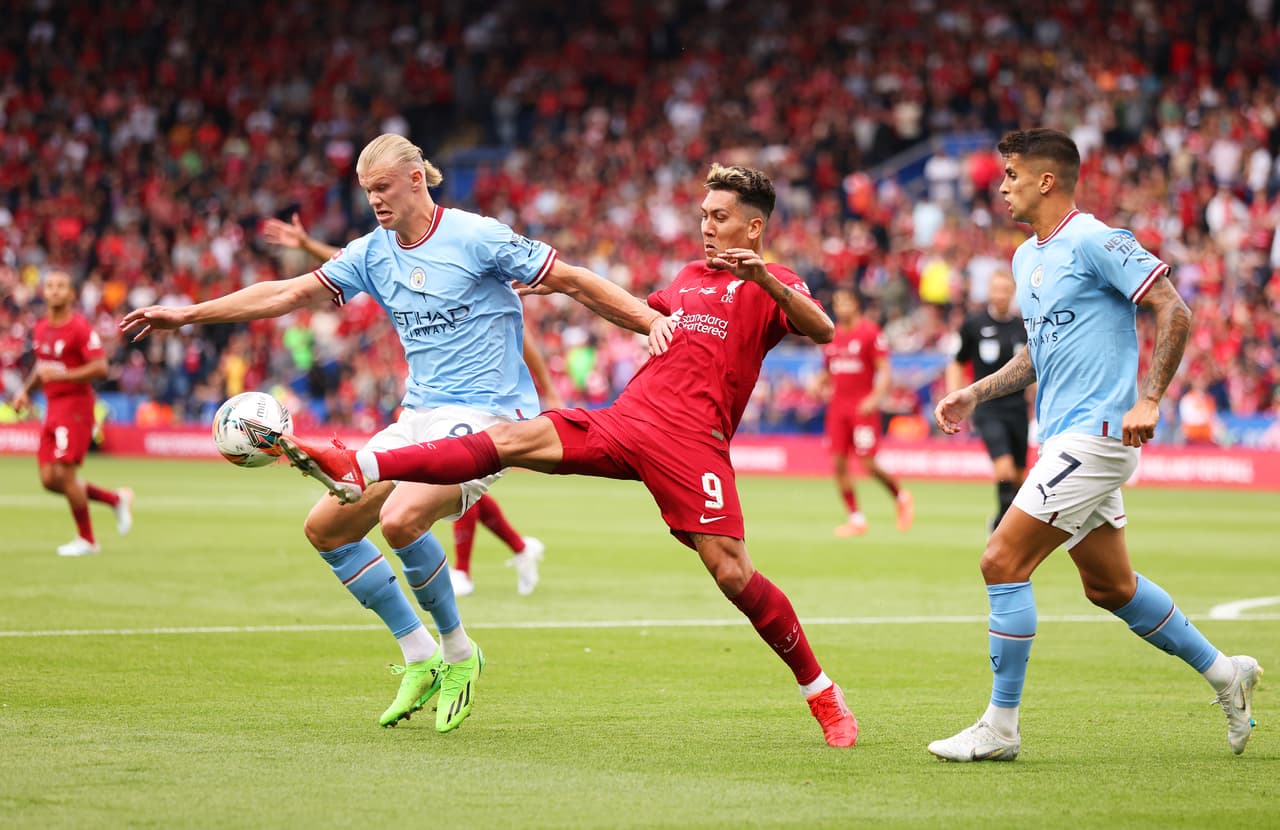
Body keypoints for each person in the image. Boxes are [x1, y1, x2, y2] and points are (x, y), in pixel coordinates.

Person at [279, 163, 861, 748]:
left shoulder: (772, 282)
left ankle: (821, 692)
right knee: (512, 439)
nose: (706, 227)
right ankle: (363, 465)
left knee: (731, 571)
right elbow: (628, 307)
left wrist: (768, 282)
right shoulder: (687, 277)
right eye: (704, 215)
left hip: (692, 443)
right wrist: (555, 285)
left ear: (754, 227)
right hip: (626, 420)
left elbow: (823, 329)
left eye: (720, 217)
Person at [121, 134, 665, 733]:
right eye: (366, 191)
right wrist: (188, 314)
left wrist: (650, 321)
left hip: (488, 418)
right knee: (326, 530)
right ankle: (419, 653)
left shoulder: (477, 236)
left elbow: (574, 280)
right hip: (418, 414)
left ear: (416, 179)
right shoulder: (371, 253)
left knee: (402, 519)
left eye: (382, 187)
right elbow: (287, 292)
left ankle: (459, 653)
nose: (375, 200)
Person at [929, 128, 1261, 761]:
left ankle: (1000, 728)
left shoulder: (1097, 240)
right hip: (1063, 436)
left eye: (1011, 175)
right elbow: (1037, 354)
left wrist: (1151, 398)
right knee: (1110, 587)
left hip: (1098, 434)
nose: (1002, 187)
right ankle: (1227, 673)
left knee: (1001, 561)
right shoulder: (1025, 259)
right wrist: (975, 392)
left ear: (1046, 180)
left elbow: (1174, 308)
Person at [261, 213, 550, 597]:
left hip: (481, 402)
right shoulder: (403, 264)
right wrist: (308, 245)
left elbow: (521, 338)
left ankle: (469, 570)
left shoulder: (474, 268)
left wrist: (550, 390)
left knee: (439, 484)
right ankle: (518, 549)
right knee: (440, 484)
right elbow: (364, 262)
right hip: (426, 398)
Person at [13, 269, 133, 557]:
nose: (54, 290)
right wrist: (25, 391)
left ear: (71, 294)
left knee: (65, 475)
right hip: (52, 407)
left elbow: (101, 367)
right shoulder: (41, 327)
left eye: (60, 286)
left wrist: (64, 375)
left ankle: (87, 540)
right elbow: (42, 368)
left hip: (76, 408)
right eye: (49, 286)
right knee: (49, 480)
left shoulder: (79, 328)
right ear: (43, 292)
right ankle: (115, 499)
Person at [816, 287, 912, 537]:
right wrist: (817, 382)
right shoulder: (831, 334)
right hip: (837, 408)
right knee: (838, 463)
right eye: (837, 303)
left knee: (868, 463)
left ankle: (901, 496)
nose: (841, 307)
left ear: (856, 304)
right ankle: (856, 518)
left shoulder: (870, 333)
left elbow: (885, 371)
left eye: (846, 302)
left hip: (862, 408)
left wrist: (874, 398)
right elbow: (830, 369)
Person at [945, 269, 1030, 530]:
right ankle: (1002, 530)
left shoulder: (1023, 327)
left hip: (1018, 409)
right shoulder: (974, 324)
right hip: (988, 407)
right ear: (989, 292)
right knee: (1004, 471)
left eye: (1005, 290)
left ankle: (1001, 521)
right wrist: (954, 395)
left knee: (1019, 477)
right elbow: (956, 362)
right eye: (996, 290)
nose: (1000, 295)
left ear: (1013, 293)